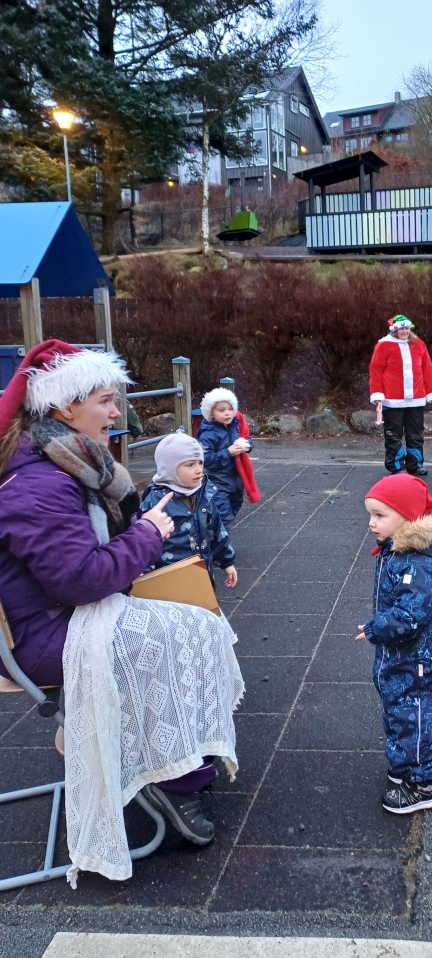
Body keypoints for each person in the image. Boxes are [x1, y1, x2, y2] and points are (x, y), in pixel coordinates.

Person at [0, 341, 243, 883]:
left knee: (196, 624)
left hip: (52, 619)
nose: (118, 414)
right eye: (107, 401)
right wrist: (149, 533)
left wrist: (138, 535)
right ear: (65, 409)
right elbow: (83, 579)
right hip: (45, 636)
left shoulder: (52, 463)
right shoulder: (40, 482)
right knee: (186, 632)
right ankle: (173, 780)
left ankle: (170, 763)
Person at [356, 474, 432, 814]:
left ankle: (423, 784)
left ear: (407, 516)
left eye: (380, 515)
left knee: (415, 719)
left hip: (422, 664)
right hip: (405, 659)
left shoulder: (418, 561)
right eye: (370, 514)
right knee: (401, 714)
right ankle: (405, 767)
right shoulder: (398, 551)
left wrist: (376, 629)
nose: (371, 523)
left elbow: (410, 616)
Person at [141, 432, 238, 586]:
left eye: (200, 463)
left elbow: (217, 530)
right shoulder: (156, 502)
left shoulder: (204, 494)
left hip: (202, 573)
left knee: (205, 607)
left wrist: (227, 561)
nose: (198, 469)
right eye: (190, 465)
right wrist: (144, 577)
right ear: (170, 468)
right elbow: (144, 543)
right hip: (169, 578)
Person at [369, 314, 432, 476]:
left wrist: (431, 391)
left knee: (415, 434)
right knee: (393, 434)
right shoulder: (383, 346)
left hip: (416, 398)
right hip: (392, 399)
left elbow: (427, 370)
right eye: (401, 328)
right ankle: (395, 465)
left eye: (407, 328)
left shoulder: (419, 344)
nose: (404, 331)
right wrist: (377, 393)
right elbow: (376, 371)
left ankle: (415, 465)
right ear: (395, 330)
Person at [197, 387, 251, 528]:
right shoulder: (208, 433)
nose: (227, 413)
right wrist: (228, 452)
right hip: (217, 481)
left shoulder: (235, 424)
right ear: (212, 413)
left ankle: (214, 536)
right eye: (221, 410)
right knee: (224, 517)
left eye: (230, 409)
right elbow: (205, 459)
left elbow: (247, 438)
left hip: (236, 479)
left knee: (234, 508)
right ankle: (222, 547)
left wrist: (246, 445)